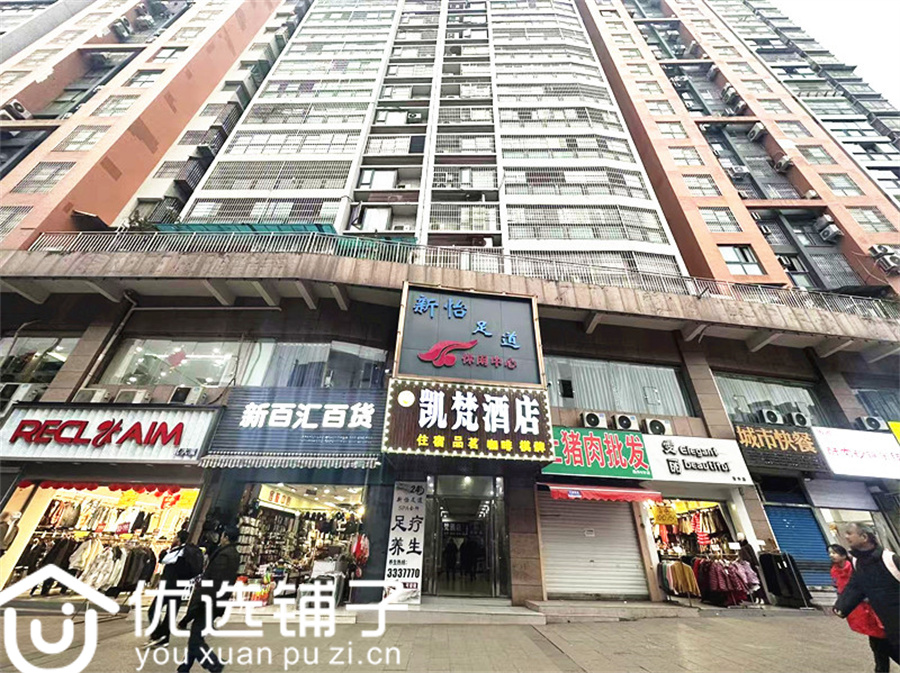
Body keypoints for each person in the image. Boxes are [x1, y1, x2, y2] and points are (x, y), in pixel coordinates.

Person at [833, 523, 900, 669]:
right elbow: (856, 586)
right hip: (881, 622)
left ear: (864, 537)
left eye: (850, 533)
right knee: (880, 651)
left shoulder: (890, 559)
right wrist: (842, 606)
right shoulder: (857, 562)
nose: (846, 536)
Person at [177, 524, 240, 673]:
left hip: (208, 602)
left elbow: (214, 582)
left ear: (226, 537)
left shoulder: (224, 555)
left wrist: (200, 600)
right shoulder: (233, 554)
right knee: (196, 637)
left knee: (195, 640)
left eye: (222, 535)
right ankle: (184, 668)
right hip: (215, 601)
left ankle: (214, 665)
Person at [829, 543, 890, 672]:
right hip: (861, 611)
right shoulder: (834, 570)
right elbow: (841, 590)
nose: (831, 555)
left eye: (834, 553)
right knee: (877, 641)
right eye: (830, 553)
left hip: (875, 609)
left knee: (883, 641)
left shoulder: (856, 568)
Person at [144, 530, 203, 648]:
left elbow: (163, 559)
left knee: (153, 610)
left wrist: (166, 550)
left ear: (179, 539)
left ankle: (157, 635)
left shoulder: (178, 552)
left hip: (169, 587)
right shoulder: (189, 552)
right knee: (170, 615)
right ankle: (163, 639)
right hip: (179, 588)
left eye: (176, 537)